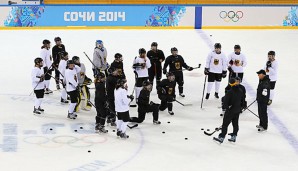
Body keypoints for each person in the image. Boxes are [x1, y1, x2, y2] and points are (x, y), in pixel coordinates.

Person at [213, 78, 245, 143]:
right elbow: (243, 101)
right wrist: (241, 108)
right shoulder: (240, 91)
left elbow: (225, 103)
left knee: (225, 124)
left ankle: (221, 137)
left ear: (230, 84)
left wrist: (227, 108)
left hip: (230, 111)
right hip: (237, 110)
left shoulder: (229, 92)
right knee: (235, 124)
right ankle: (234, 136)